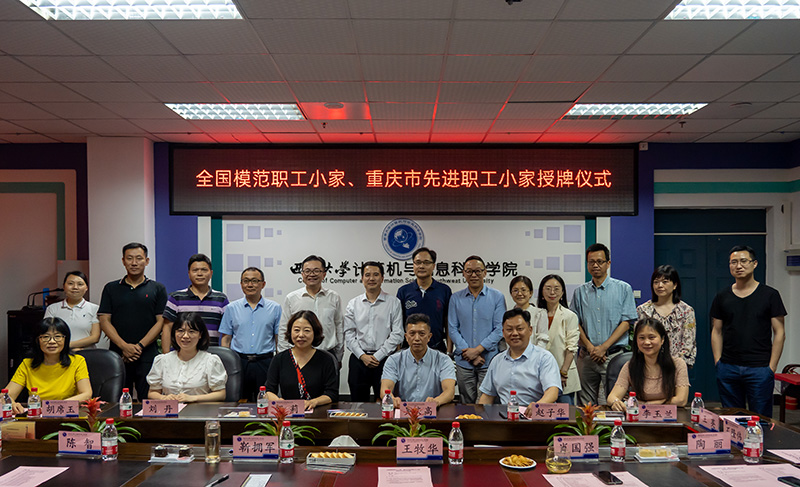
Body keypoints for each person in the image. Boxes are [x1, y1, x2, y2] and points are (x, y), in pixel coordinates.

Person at [711, 245, 786, 418]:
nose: (738, 266)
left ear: (754, 264)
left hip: (760, 368)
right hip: (728, 367)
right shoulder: (722, 296)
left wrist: (771, 367)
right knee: (731, 419)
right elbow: (716, 330)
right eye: (734, 262)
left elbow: (779, 332)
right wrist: (718, 362)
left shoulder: (770, 295)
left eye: (744, 261)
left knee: (760, 419)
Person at [570, 243, 637, 406]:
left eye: (600, 261)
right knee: (585, 406)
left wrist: (603, 348)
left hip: (614, 357)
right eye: (591, 262)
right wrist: (591, 347)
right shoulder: (580, 292)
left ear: (608, 263)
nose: (595, 265)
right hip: (587, 357)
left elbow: (626, 323)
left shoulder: (623, 288)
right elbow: (575, 323)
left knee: (614, 403)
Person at [99, 242, 167, 399]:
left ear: (147, 261)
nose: (134, 263)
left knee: (148, 400)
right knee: (119, 401)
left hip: (147, 354)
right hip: (118, 354)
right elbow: (104, 320)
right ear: (123, 261)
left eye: (139, 258)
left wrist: (139, 346)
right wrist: (124, 346)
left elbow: (160, 322)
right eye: (129, 258)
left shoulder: (158, 288)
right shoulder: (111, 288)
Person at [478, 309, 561, 416]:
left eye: (520, 329)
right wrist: (479, 418)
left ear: (530, 330)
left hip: (537, 418)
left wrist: (538, 405)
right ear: (503, 333)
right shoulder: (497, 361)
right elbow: (487, 395)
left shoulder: (544, 358)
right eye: (509, 329)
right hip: (507, 418)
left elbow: (552, 391)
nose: (514, 333)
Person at [448, 255, 506, 404]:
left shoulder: (497, 297)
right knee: (466, 403)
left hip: (489, 360)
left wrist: (478, 350)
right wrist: (470, 354)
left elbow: (500, 329)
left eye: (478, 271)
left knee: (485, 404)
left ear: (485, 272)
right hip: (464, 362)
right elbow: (452, 328)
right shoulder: (455, 298)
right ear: (463, 273)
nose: (473, 275)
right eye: (469, 271)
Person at [344, 261, 404, 402]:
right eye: (367, 275)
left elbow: (397, 333)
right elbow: (349, 333)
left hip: (385, 359)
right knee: (358, 403)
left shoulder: (393, 302)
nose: (371, 278)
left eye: (376, 275)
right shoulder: (353, 304)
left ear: (382, 278)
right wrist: (362, 356)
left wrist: (378, 355)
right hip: (359, 360)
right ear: (362, 278)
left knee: (386, 401)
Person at [219, 267, 281, 401]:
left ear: (263, 284)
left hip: (265, 362)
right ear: (241, 284)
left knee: (265, 400)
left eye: (254, 281)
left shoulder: (275, 308)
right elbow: (226, 339)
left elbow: (278, 339)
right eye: (246, 281)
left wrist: (278, 363)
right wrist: (226, 364)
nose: (250, 284)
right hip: (239, 362)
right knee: (239, 400)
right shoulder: (231, 308)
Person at [6, 317, 92, 414]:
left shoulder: (77, 361)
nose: (52, 341)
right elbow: (5, 395)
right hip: (38, 417)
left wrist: (53, 408)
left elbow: (86, 394)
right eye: (46, 337)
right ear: (38, 340)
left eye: (57, 336)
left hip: (68, 415)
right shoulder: (27, 364)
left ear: (65, 339)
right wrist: (12, 404)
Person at [607, 318, 690, 409]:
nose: (646, 342)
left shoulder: (678, 364)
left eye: (651, 337)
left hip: (670, 415)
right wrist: (616, 402)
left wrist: (647, 404)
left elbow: (681, 400)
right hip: (640, 415)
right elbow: (611, 397)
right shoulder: (631, 366)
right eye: (641, 338)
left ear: (662, 340)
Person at [279, 255, 344, 366]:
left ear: (324, 274)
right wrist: (284, 357)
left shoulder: (334, 297)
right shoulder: (292, 298)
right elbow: (284, 329)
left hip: (328, 354)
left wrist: (338, 356)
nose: (312, 274)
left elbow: (339, 327)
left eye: (316, 271)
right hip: (299, 356)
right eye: (307, 271)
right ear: (302, 274)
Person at [147, 313, 227, 403]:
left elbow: (221, 394)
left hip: (200, 410)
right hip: (171, 410)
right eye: (180, 331)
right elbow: (152, 392)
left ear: (200, 335)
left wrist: (193, 398)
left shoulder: (211, 361)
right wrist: (164, 398)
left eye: (191, 331)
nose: (185, 336)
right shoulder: (162, 360)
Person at [267, 310, 339, 410]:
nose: (301, 335)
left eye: (307, 330)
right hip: (287, 412)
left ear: (315, 333)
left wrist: (314, 402)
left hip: (317, 412)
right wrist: (278, 401)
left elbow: (332, 393)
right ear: (290, 332)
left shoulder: (326, 359)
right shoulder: (279, 359)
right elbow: (268, 390)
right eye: (296, 330)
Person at [380, 313, 456, 407]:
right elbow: (385, 388)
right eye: (412, 333)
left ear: (429, 337)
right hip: (403, 410)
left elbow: (449, 392)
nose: (417, 338)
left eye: (422, 334)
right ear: (406, 337)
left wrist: (436, 401)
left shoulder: (443, 360)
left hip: (433, 411)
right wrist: (392, 399)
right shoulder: (394, 360)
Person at [161, 254, 229, 353]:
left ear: (211, 273)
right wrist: (165, 357)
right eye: (195, 270)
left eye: (204, 270)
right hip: (181, 355)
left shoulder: (221, 299)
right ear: (189, 273)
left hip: (210, 355)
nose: (199, 274)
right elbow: (167, 328)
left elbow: (227, 332)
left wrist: (224, 354)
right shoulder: (176, 298)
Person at [636, 265, 697, 366]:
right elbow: (639, 340)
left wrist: (672, 364)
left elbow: (688, 344)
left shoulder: (686, 311)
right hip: (649, 366)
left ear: (675, 285)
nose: (659, 285)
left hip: (677, 366)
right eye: (656, 282)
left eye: (665, 282)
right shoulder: (643, 310)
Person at [396, 247, 453, 353]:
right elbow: (398, 325)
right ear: (413, 265)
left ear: (433, 266)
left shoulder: (444, 290)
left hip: (437, 349)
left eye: (426, 262)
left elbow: (449, 323)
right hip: (409, 350)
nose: (421, 266)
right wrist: (398, 352)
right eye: (418, 262)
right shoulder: (403, 291)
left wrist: (449, 352)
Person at [537, 274, 581, 404]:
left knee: (565, 413)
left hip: (563, 374)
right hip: (539, 375)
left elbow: (571, 347)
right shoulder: (536, 314)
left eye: (556, 289)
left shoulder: (569, 316)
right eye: (548, 288)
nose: (552, 292)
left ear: (562, 293)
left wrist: (563, 372)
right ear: (542, 292)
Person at [44, 271, 101, 350]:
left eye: (80, 284)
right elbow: (47, 334)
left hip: (86, 353)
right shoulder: (52, 309)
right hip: (59, 354)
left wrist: (68, 346)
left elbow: (95, 337)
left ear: (86, 288)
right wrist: (65, 348)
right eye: (70, 283)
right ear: (64, 286)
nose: (75, 287)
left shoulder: (94, 309)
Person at [509, 275, 549, 348]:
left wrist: (532, 354)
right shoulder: (508, 316)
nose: (519, 294)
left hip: (535, 354)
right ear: (511, 294)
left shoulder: (539, 314)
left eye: (523, 290)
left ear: (530, 293)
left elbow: (542, 340)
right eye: (515, 290)